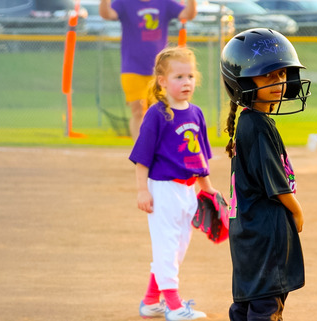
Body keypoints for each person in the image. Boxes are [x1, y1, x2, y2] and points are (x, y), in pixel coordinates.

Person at [220, 28, 311, 321]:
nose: (279, 83)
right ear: (244, 82)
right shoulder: (258, 125)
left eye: (283, 75)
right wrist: (297, 211)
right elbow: (277, 185)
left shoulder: (247, 121)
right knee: (266, 307)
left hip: (248, 231)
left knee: (248, 303)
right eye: (268, 76)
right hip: (265, 232)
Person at [129, 46, 216, 320]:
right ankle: (175, 306)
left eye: (190, 76)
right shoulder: (157, 114)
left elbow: (200, 157)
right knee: (166, 246)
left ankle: (151, 301)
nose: (186, 82)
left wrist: (208, 189)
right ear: (163, 81)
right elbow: (142, 157)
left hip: (188, 189)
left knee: (178, 247)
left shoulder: (196, 113)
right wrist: (142, 190)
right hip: (163, 188)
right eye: (178, 76)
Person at [99, 0, 197, 141]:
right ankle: (141, 154)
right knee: (138, 111)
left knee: (162, 113)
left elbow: (188, 14)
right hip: (132, 67)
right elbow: (107, 14)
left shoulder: (165, 3)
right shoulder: (124, 3)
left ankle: (159, 151)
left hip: (160, 70)